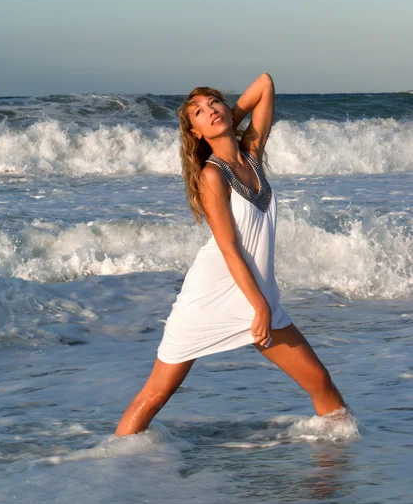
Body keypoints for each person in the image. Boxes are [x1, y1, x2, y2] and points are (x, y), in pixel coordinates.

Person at [115, 73, 346, 437]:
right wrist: (260, 307)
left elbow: (265, 84)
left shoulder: (252, 155)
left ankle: (336, 471)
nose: (209, 111)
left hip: (258, 293)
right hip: (214, 293)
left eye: (214, 104)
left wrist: (224, 125)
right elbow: (228, 249)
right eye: (198, 113)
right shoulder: (212, 176)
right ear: (193, 133)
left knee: (319, 380)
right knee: (158, 393)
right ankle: (113, 463)